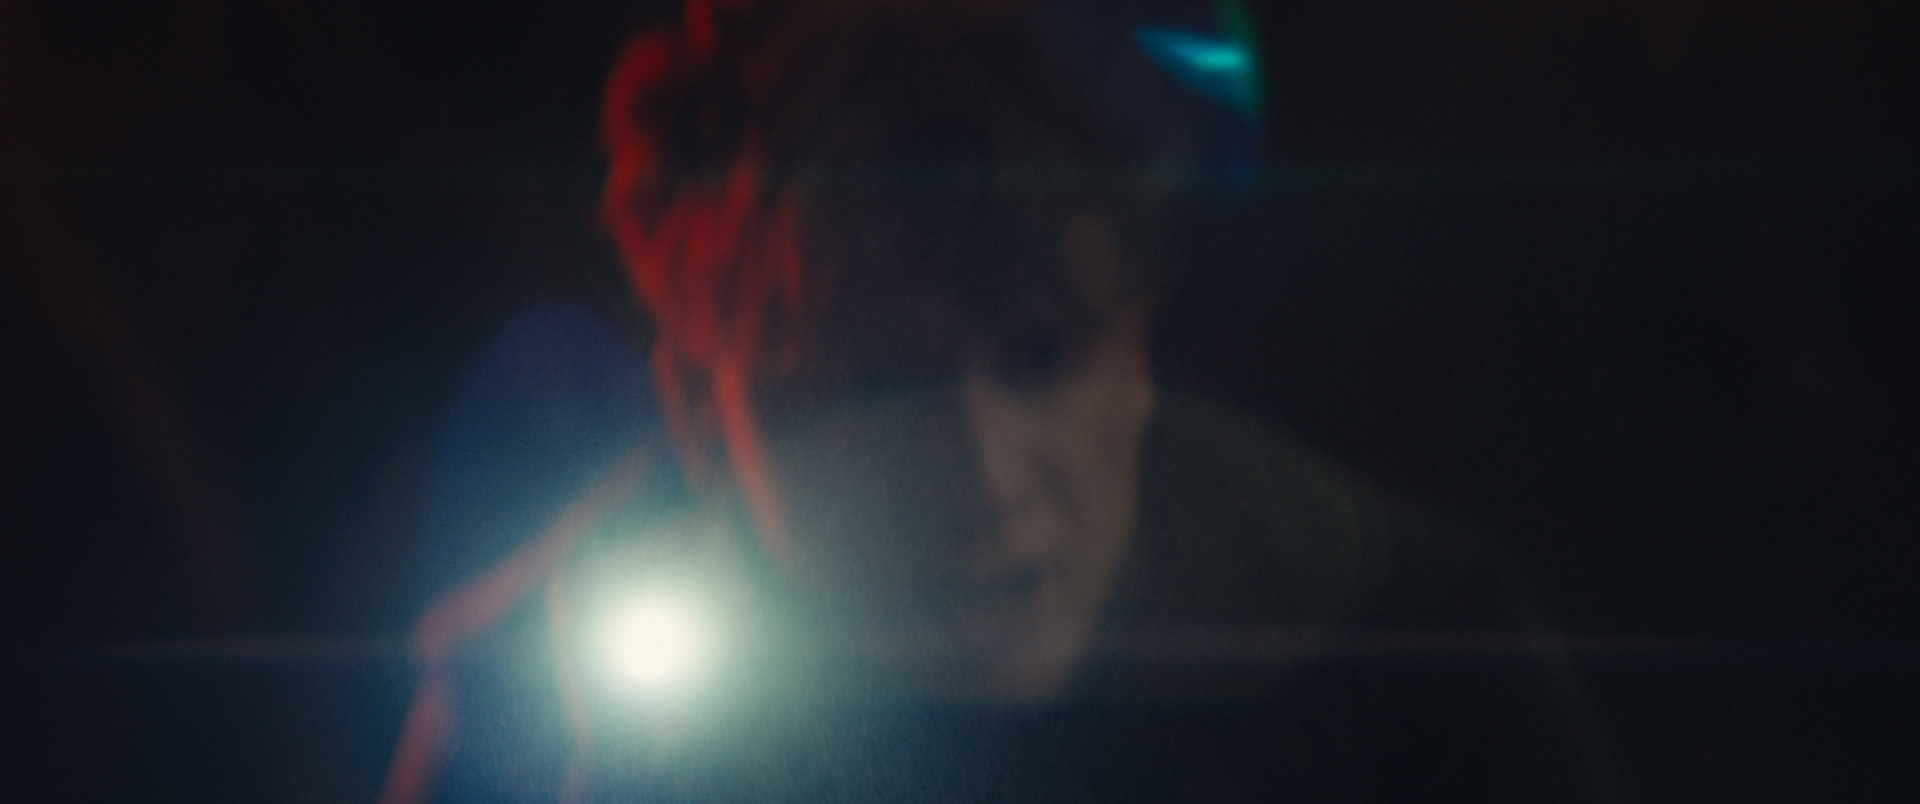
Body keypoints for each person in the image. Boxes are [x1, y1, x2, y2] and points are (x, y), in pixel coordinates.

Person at [383, 2, 1620, 802]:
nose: (983, 481)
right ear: (703, 417)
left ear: (1138, 352)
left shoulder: (1413, 652)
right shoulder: (535, 702)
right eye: (877, 393)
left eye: (1039, 361)